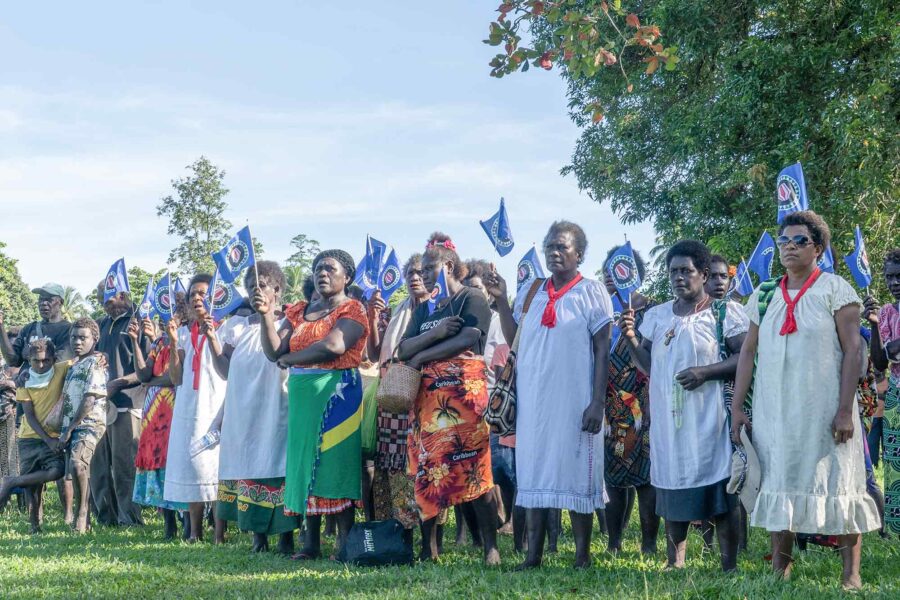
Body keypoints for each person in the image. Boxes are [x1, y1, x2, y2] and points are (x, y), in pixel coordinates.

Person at [731, 211, 881, 589]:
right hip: (774, 412)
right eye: (784, 241)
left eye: (799, 241)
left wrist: (845, 410)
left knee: (839, 483)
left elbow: (853, 353)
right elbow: (748, 352)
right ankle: (780, 570)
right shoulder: (764, 294)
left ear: (818, 248)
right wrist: (737, 407)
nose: (789, 247)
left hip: (825, 410)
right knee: (779, 480)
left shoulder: (835, 289)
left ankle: (851, 575)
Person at [485, 221, 612, 569]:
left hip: (576, 399)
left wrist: (598, 402)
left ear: (579, 254)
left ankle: (582, 555)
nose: (555, 253)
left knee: (576, 472)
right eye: (550, 248)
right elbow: (516, 341)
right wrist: (501, 304)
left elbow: (603, 349)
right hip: (535, 401)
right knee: (535, 474)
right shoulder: (532, 289)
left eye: (562, 248)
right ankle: (533, 556)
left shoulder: (592, 291)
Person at [622, 240, 746, 572]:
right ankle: (674, 561)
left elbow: (744, 358)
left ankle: (728, 565)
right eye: (673, 271)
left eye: (686, 271)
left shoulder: (724, 313)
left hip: (711, 417)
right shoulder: (658, 315)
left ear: (704, 274)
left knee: (720, 491)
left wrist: (705, 372)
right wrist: (632, 338)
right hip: (670, 419)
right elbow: (646, 364)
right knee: (672, 482)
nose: (679, 277)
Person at [257, 249, 368, 560]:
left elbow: (334, 346)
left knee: (336, 463)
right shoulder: (299, 311)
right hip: (303, 395)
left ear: (347, 277)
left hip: (337, 393)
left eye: (330, 268)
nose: (322, 273)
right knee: (304, 463)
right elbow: (273, 350)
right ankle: (311, 544)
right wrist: (266, 315)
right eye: (318, 268)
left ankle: (344, 543)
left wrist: (289, 358)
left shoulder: (353, 309)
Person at [397, 233, 500, 565]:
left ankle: (490, 547)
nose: (424, 274)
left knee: (475, 468)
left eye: (430, 267)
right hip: (427, 404)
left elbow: (470, 337)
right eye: (422, 269)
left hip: (463, 398)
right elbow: (403, 348)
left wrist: (421, 355)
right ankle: (429, 549)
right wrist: (436, 332)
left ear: (450, 266)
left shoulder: (472, 297)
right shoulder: (426, 308)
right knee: (428, 470)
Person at [213, 261, 299, 554]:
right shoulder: (236, 326)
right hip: (243, 409)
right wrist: (211, 336)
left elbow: (276, 353)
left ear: (276, 289)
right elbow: (224, 369)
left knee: (278, 462)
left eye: (262, 284)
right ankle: (257, 537)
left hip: (276, 404)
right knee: (249, 463)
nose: (256, 290)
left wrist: (266, 317)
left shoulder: (289, 322)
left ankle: (286, 536)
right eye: (251, 286)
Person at [367, 254, 430, 538]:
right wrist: (373, 319)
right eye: (410, 273)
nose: (415, 277)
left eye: (420, 272)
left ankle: (429, 539)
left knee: (423, 465)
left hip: (425, 397)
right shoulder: (397, 311)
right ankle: (394, 533)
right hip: (394, 397)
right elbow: (373, 355)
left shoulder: (437, 310)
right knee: (391, 466)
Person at [602, 245, 659, 555]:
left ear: (635, 273)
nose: (614, 275)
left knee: (646, 476)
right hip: (610, 404)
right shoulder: (601, 310)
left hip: (644, 403)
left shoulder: (654, 310)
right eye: (609, 270)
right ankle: (614, 543)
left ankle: (649, 544)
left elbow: (653, 357)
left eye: (621, 268)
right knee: (612, 474)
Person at [164, 274, 228, 542]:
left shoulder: (227, 328)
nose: (197, 299)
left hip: (217, 402)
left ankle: (220, 533)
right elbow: (175, 378)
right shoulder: (182, 334)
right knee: (192, 465)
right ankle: (195, 532)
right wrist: (171, 341)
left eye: (203, 294)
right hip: (189, 407)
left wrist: (211, 335)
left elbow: (226, 369)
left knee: (217, 466)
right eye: (192, 295)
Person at [128, 302, 189, 540]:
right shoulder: (159, 342)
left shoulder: (183, 338)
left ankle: (186, 523)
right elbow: (145, 374)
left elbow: (172, 378)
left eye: (171, 314)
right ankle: (169, 524)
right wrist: (135, 342)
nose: (165, 319)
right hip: (153, 412)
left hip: (175, 407)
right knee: (157, 461)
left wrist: (152, 381)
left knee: (175, 460)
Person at [91, 284, 150, 527]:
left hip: (128, 403)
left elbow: (149, 368)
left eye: (107, 298)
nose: (103, 304)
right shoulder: (101, 325)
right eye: (99, 299)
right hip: (98, 404)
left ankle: (130, 518)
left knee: (125, 465)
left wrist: (118, 383)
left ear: (122, 295)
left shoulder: (140, 322)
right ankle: (106, 518)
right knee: (99, 465)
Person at [0, 339, 69, 531]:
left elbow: (81, 360)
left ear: (54, 359)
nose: (41, 365)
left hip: (54, 435)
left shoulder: (62, 369)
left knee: (57, 471)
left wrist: (101, 356)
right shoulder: (25, 380)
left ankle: (11, 482)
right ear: (28, 360)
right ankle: (34, 525)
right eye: (36, 361)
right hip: (29, 437)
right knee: (32, 485)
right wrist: (48, 440)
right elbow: (28, 415)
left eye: (46, 360)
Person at [58, 317, 109, 533]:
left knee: (79, 464)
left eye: (83, 338)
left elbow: (89, 399)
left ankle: (82, 513)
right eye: (74, 337)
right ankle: (83, 516)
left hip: (89, 423)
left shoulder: (96, 363)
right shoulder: (74, 365)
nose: (77, 342)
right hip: (71, 424)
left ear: (94, 340)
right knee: (74, 469)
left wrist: (69, 429)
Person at [866, 247, 900, 536]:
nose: (894, 283)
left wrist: (892, 349)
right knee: (894, 462)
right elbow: (880, 361)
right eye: (890, 277)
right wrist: (875, 326)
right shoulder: (888, 312)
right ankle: (895, 525)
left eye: (899, 276)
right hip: (896, 395)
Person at [0, 283, 73, 368]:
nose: (43, 303)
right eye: (41, 299)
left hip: (48, 381)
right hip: (24, 381)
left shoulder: (68, 330)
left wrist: (31, 353)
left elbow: (59, 364)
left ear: (60, 303)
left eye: (49, 300)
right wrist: (1, 326)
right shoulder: (28, 329)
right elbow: (12, 361)